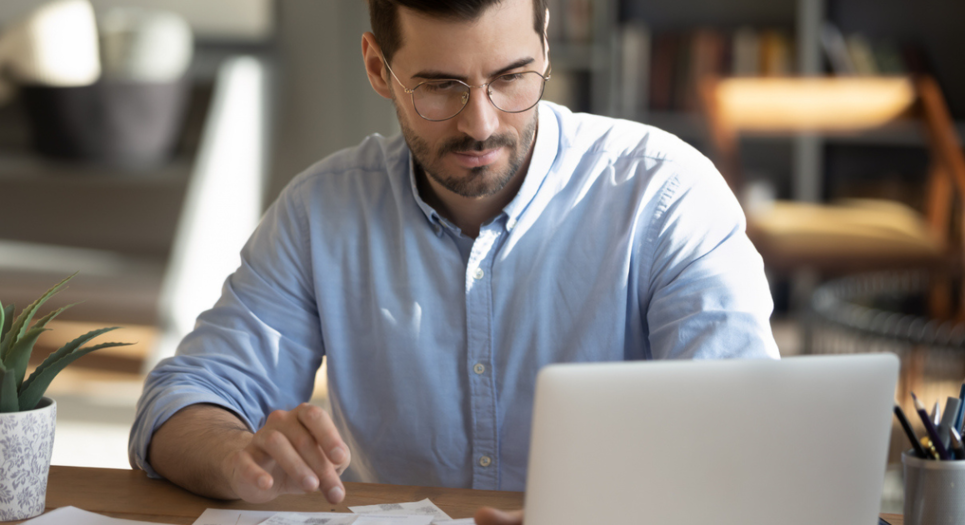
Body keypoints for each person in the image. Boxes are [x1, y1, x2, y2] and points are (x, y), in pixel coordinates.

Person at [128, 0, 779, 523]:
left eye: (511, 78)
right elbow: (178, 402)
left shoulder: (665, 194)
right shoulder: (319, 211)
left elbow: (743, 432)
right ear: (379, 68)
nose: (480, 123)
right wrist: (237, 453)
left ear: (546, 46)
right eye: (440, 87)